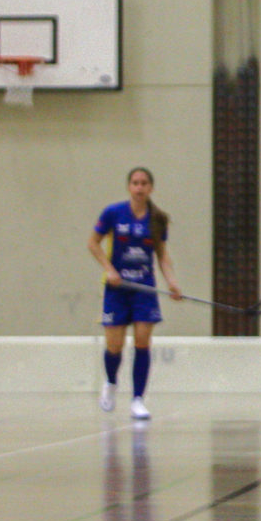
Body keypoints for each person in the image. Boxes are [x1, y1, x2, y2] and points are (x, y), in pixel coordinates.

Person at [87, 167, 182, 420]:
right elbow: (93, 243)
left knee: (142, 341)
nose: (139, 187)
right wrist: (109, 270)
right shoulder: (113, 213)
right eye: (135, 183)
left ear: (151, 188)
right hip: (117, 289)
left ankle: (138, 399)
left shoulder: (156, 219)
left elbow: (162, 255)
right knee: (114, 345)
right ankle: (111, 382)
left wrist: (172, 282)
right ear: (129, 186)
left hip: (144, 288)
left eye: (144, 183)